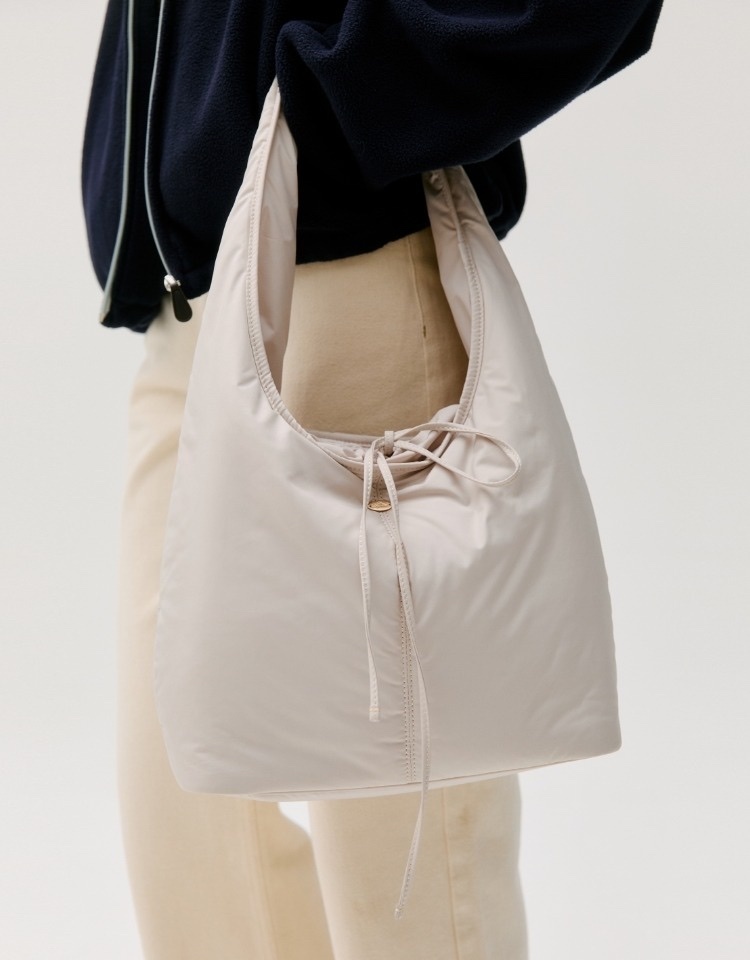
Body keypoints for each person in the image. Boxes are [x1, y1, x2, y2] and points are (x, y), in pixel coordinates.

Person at [82, 2, 663, 958]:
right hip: (189, 314)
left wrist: (337, 95)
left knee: (401, 871)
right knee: (190, 850)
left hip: (355, 292)